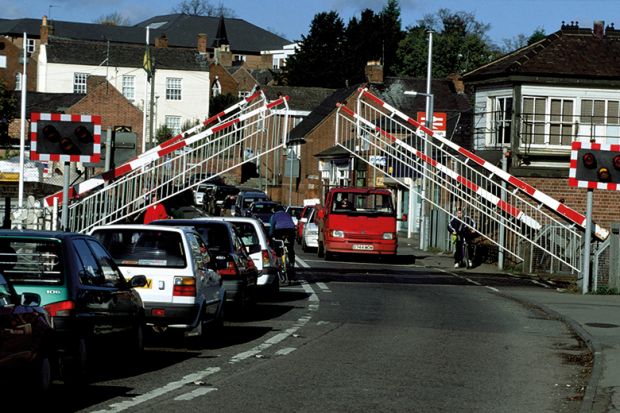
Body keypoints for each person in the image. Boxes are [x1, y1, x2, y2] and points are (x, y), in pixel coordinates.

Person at [269, 206, 296, 282]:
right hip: (290, 231)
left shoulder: (274, 216)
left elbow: (271, 228)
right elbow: (292, 224)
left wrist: (270, 236)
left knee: (278, 246)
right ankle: (291, 263)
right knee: (290, 248)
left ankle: (279, 258)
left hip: (279, 231)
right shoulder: (287, 214)